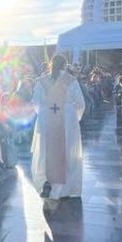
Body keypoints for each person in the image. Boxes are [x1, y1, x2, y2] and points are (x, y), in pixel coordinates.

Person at [31, 55, 85, 201]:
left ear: (51, 64)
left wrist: (43, 115)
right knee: (67, 153)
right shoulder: (71, 80)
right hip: (68, 121)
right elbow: (80, 103)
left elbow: (36, 103)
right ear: (65, 65)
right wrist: (75, 117)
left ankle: (47, 182)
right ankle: (63, 189)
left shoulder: (41, 81)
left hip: (47, 119)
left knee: (47, 152)